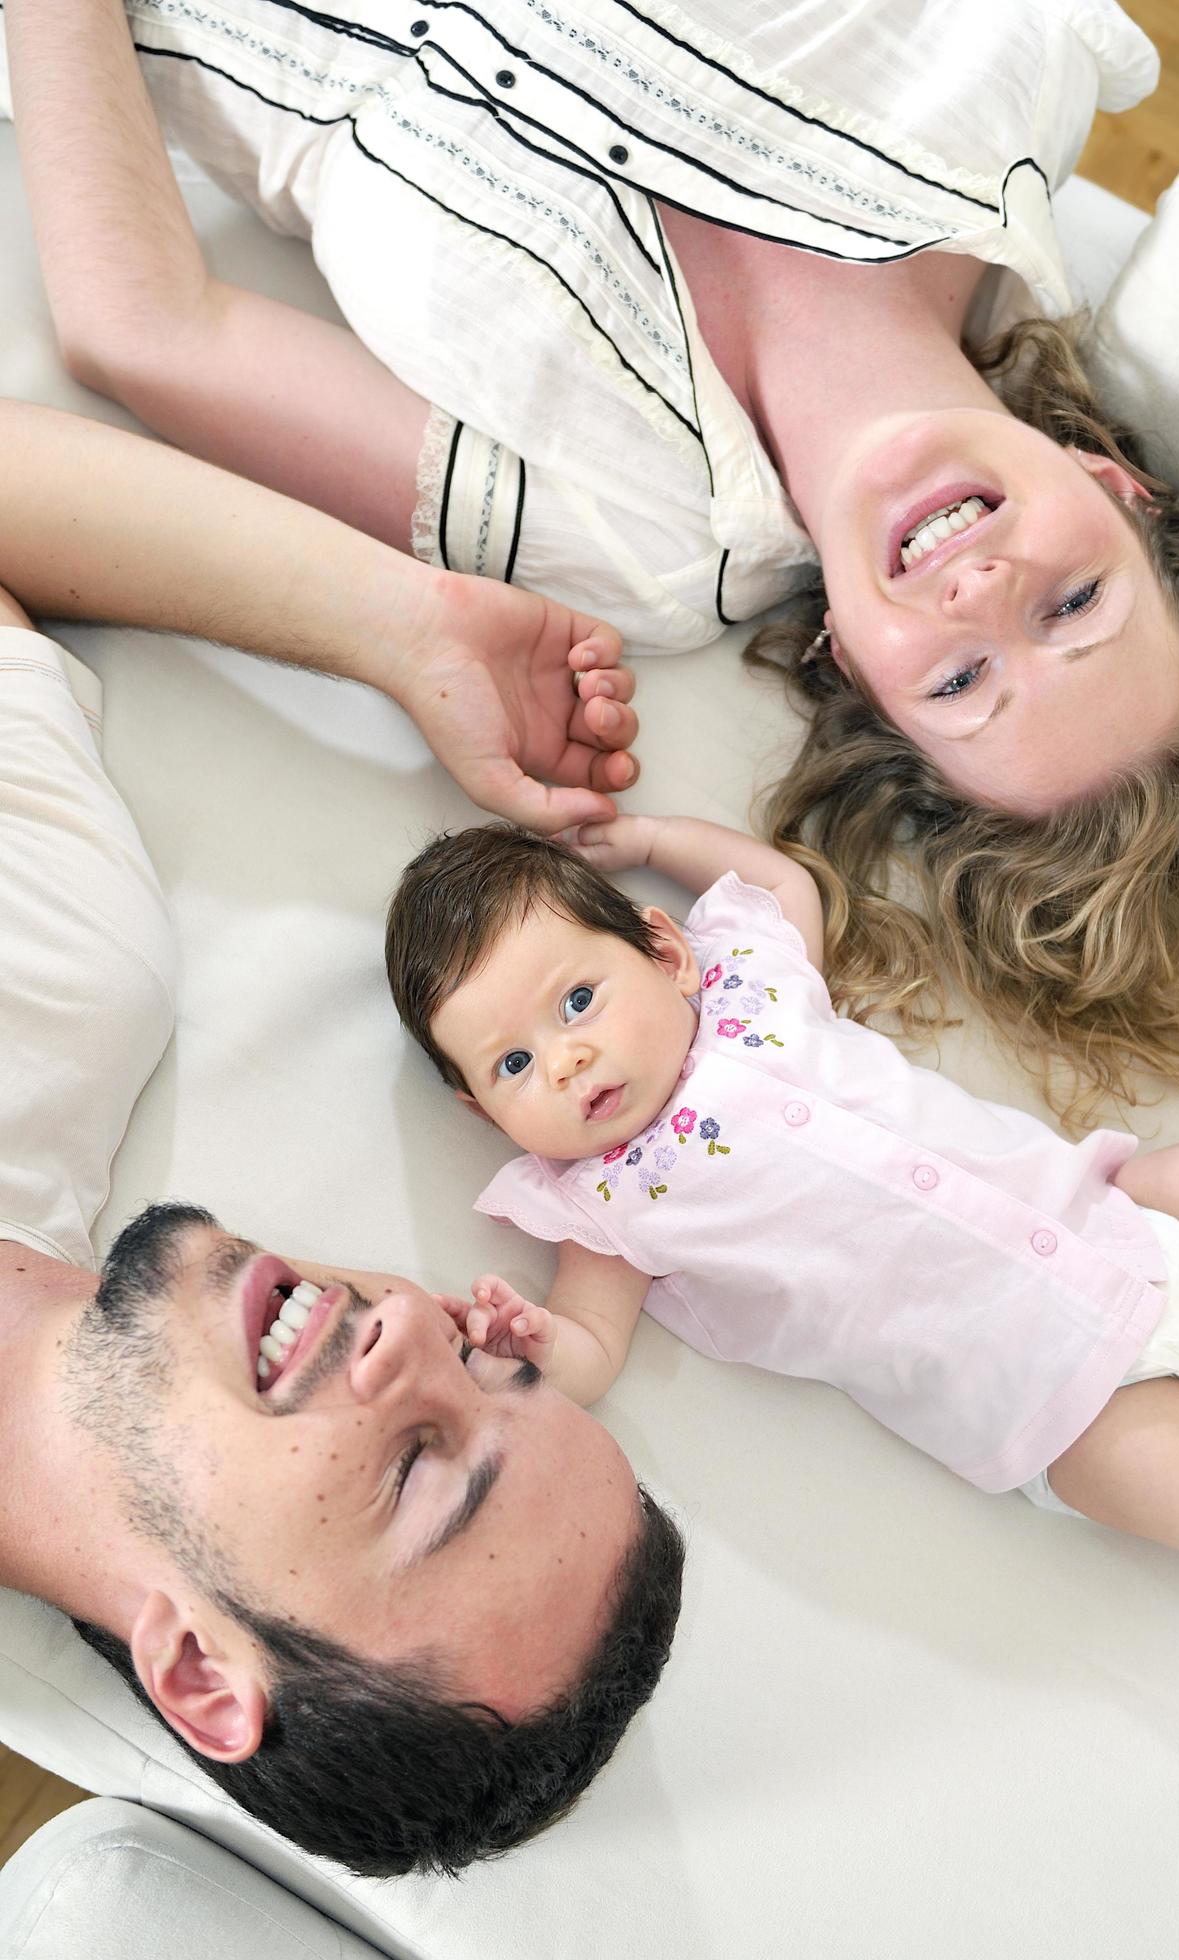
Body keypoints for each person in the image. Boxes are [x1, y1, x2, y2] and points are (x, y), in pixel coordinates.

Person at [11, 3, 1179, 1125]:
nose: (982, 596)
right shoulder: (1004, 71)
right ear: (1115, 487)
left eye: (962, 684)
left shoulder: (629, 543)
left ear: (850, 662)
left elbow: (148, 329)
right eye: (1076, 604)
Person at [0, 407, 683, 1878]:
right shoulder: (71, 975)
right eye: (494, 1363)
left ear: (198, 1669)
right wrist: (407, 625)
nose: (418, 1340)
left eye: (418, 1471)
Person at [384, 816, 1179, 1606]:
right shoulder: (609, 1204)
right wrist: (536, 1345)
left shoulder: (751, 986)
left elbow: (785, 880)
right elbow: (592, 1346)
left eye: (578, 1001)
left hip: (1123, 1224)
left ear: (668, 955)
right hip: (1057, 1395)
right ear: (480, 1111)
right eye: (512, 1065)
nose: (564, 1061)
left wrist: (654, 838)